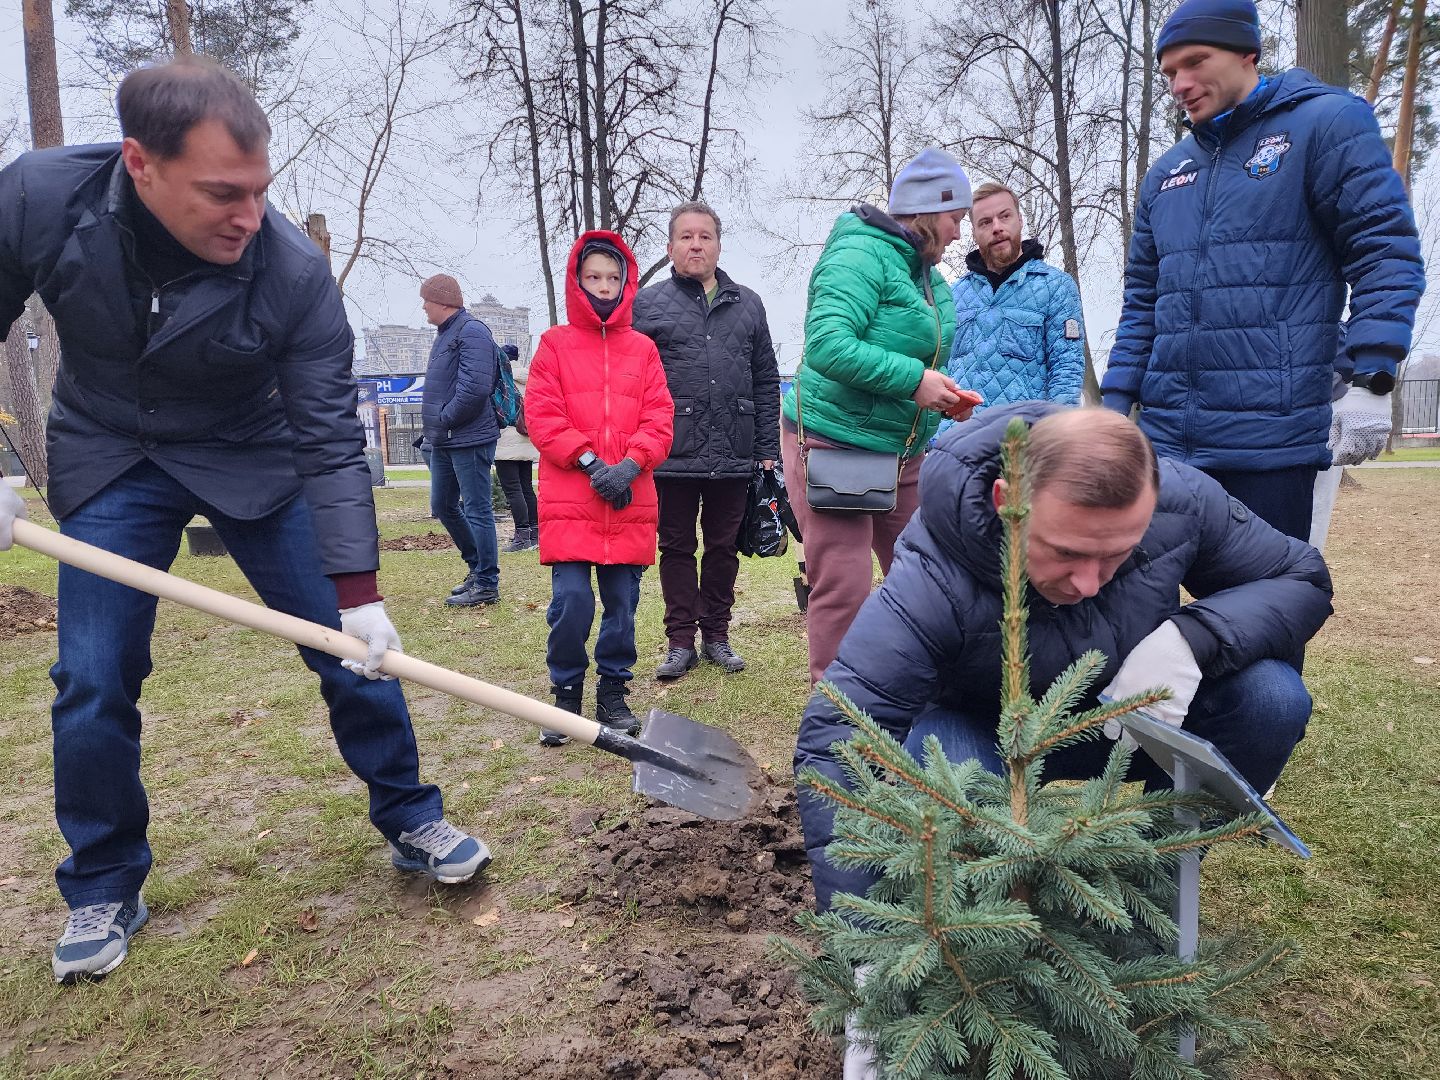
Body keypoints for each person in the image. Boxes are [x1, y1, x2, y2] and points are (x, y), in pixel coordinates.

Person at [0, 57, 489, 984]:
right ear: (141, 164)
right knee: (92, 676)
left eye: (260, 190)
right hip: (113, 448)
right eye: (223, 193)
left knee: (351, 651)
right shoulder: (39, 198)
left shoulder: (293, 272)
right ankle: (103, 881)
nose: (249, 216)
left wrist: (358, 592)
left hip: (254, 452)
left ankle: (410, 814)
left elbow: (329, 440)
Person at [795, 405, 1332, 919]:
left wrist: (1192, 638)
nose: (1089, 583)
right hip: (985, 731)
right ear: (1007, 501)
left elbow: (1301, 576)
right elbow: (840, 736)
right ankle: (989, 907)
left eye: (1117, 554)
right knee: (949, 768)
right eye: (1067, 552)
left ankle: (1146, 889)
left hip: (1132, 720)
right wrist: (861, 935)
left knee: (1271, 698)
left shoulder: (1181, 500)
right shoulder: (935, 570)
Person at [1100, 0, 1425, 541]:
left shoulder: (1325, 124)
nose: (1180, 84)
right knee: (1140, 592)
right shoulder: (1166, 174)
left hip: (1272, 446)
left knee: (1265, 594)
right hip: (1168, 446)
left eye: (1195, 62)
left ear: (1246, 52)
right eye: (1170, 73)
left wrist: (1371, 377)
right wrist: (1114, 406)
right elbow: (1143, 303)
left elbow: (1383, 251)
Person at [779, 147, 981, 685]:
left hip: (901, 453)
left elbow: (914, 355)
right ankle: (838, 718)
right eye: (956, 217)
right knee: (844, 587)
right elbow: (828, 345)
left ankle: (915, 695)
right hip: (836, 444)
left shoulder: (926, 275)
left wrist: (942, 396)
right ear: (928, 211)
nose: (960, 232)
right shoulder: (859, 254)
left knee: (924, 576)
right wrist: (915, 382)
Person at [524, 232, 674, 746]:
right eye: (594, 277)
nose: (604, 287)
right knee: (571, 602)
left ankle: (613, 691)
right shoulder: (554, 345)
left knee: (622, 604)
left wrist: (630, 466)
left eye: (613, 277)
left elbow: (660, 418)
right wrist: (591, 464)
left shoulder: (644, 349)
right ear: (578, 281)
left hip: (629, 499)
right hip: (573, 498)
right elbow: (543, 416)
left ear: (626, 282)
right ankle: (566, 696)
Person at [632, 201, 780, 680]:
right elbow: (634, 380)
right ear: (670, 246)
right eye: (686, 236)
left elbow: (765, 379)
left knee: (723, 547)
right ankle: (680, 642)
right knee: (676, 548)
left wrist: (767, 450)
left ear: (718, 244)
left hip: (734, 450)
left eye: (705, 236)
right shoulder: (646, 304)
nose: (696, 245)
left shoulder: (749, 304)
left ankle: (716, 633)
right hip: (672, 451)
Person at [942, 181, 1085, 423]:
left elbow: (1067, 371)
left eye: (1004, 216)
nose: (996, 227)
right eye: (985, 222)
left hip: (1020, 440)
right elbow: (938, 371)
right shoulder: (953, 295)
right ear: (974, 233)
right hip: (954, 438)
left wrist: (1058, 436)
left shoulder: (1056, 287)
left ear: (1019, 220)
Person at [419, 273, 503, 606]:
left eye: (426, 300)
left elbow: (475, 389)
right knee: (442, 504)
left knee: (478, 510)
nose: (423, 307)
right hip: (445, 438)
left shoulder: (471, 331)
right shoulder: (446, 334)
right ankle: (476, 567)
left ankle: (487, 583)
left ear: (442, 301)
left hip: (469, 437)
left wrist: (444, 419)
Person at [494, 345, 540, 553]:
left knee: (513, 490)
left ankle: (521, 536)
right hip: (527, 439)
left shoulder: (502, 378)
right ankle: (535, 533)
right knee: (526, 488)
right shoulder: (529, 379)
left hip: (506, 440)